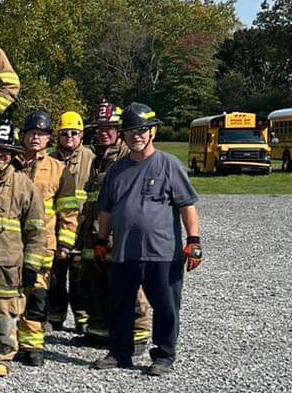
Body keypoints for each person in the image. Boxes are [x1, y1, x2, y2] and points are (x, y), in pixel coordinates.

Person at [92, 103, 201, 376]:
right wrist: (101, 240)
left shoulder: (169, 165)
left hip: (163, 253)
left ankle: (163, 355)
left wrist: (194, 241)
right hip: (124, 252)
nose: (135, 136)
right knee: (120, 305)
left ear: (153, 131)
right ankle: (120, 353)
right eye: (129, 131)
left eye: (141, 130)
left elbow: (187, 206)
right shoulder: (116, 171)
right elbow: (105, 210)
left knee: (166, 307)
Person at [0, 121, 46, 376]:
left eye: (5, 150)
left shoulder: (24, 185)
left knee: (2, 312)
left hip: (7, 264)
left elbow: (37, 229)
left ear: (13, 154)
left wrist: (31, 265)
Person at [78, 101, 150, 352]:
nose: (103, 132)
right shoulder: (96, 157)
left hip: (119, 234)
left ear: (120, 130)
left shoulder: (126, 157)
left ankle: (138, 333)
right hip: (95, 232)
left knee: (127, 283)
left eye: (109, 127)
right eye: (99, 128)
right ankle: (101, 329)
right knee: (96, 281)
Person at [15, 110, 79, 366]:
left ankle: (32, 346)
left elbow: (68, 210)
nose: (36, 138)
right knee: (9, 294)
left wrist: (65, 242)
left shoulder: (59, 170)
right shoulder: (11, 163)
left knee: (38, 294)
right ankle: (8, 342)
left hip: (44, 244)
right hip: (10, 242)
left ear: (48, 139)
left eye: (41, 134)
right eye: (32, 133)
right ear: (23, 135)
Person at [48, 110, 94, 334]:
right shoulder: (49, 159)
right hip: (55, 227)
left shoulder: (91, 159)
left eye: (74, 133)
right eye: (64, 133)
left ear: (82, 135)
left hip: (82, 229)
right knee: (55, 275)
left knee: (80, 278)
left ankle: (82, 318)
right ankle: (55, 315)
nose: (69, 137)